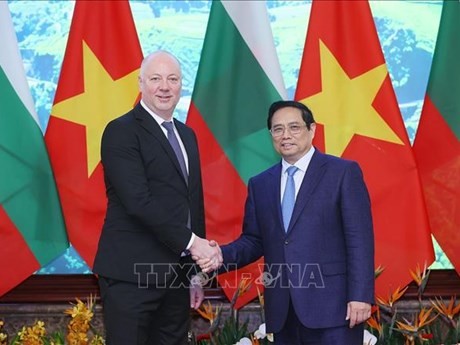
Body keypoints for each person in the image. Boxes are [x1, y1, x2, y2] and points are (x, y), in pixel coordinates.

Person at [200, 100, 375, 344]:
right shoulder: (261, 183)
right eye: (278, 129)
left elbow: (360, 240)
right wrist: (216, 256)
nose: (286, 135)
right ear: (271, 134)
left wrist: (360, 296)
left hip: (336, 310)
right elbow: (254, 241)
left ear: (311, 130)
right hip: (283, 313)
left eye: (294, 127)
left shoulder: (342, 173)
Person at [93, 50, 221, 345]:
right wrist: (195, 244)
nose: (165, 86)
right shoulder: (121, 131)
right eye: (155, 79)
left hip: (175, 278)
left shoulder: (187, 135)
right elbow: (138, 202)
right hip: (132, 276)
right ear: (140, 84)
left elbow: (192, 205)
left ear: (180, 86)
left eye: (172, 79)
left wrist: (193, 273)